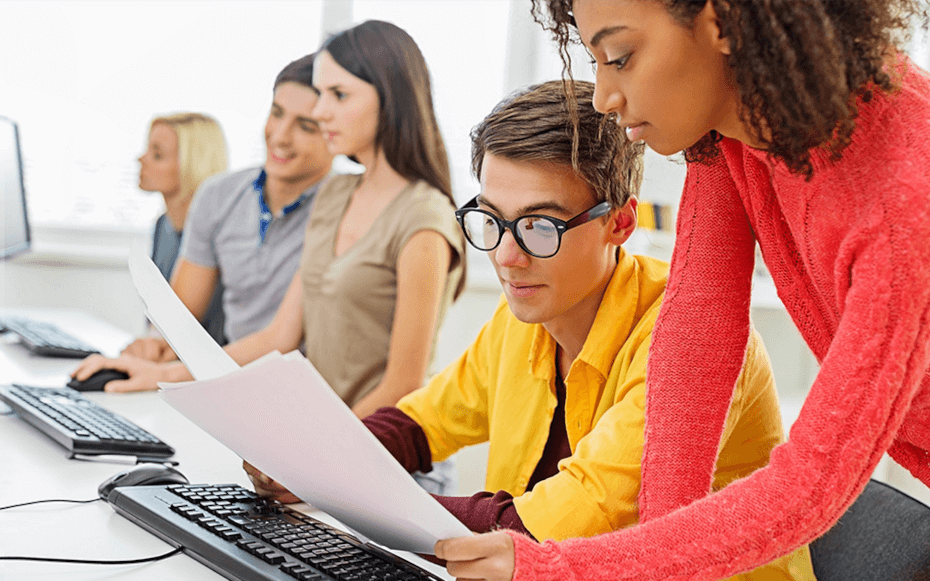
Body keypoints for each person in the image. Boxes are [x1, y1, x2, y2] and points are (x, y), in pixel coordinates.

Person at [434, 1, 930, 580]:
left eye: (620, 57)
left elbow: (812, 487)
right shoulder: (731, 135)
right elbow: (694, 355)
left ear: (723, 22)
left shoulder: (905, 200)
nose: (603, 96)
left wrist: (557, 568)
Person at [247, 79, 816, 580]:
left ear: (619, 223)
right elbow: (419, 424)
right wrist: (316, 464)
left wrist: (344, 491)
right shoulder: (527, 314)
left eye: (539, 225)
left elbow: (545, 525)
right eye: (491, 220)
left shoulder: (692, 337)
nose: (508, 256)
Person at [78, 21, 466, 495]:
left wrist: (310, 458)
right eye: (319, 95)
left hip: (386, 460)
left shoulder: (425, 218)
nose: (322, 112)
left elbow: (403, 386)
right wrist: (166, 376)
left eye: (338, 96)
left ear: (390, 98)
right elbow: (278, 336)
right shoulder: (337, 195)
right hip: (315, 451)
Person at [74, 53, 334, 378]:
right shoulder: (218, 196)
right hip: (225, 379)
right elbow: (180, 319)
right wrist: (155, 347)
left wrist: (174, 374)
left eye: (306, 126)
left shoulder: (342, 208)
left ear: (333, 131)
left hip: (296, 386)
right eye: (276, 113)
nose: (280, 136)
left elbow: (282, 341)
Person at [138, 112, 228, 345]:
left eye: (157, 154)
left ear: (192, 164)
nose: (141, 159)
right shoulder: (162, 227)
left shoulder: (220, 236)